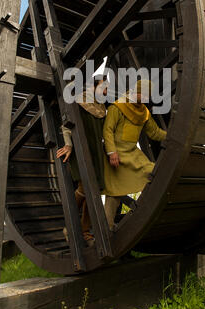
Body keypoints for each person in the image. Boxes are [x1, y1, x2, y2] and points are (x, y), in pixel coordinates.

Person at [103, 79, 167, 230]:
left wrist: (172, 136)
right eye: (143, 95)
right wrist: (112, 152)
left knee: (153, 171)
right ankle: (107, 227)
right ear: (135, 91)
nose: (146, 98)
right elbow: (107, 130)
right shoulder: (117, 107)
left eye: (148, 96)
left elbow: (154, 132)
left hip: (133, 153)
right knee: (114, 194)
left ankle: (145, 216)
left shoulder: (143, 112)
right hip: (117, 154)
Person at [57, 76, 107, 246]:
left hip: (97, 153)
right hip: (81, 150)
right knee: (84, 188)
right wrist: (68, 145)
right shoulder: (80, 100)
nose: (106, 91)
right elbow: (65, 125)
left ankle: (85, 231)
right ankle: (69, 225)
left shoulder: (101, 107)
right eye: (104, 86)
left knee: (95, 189)